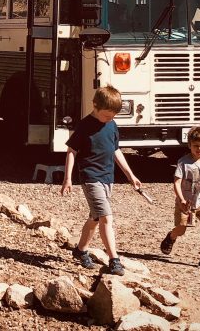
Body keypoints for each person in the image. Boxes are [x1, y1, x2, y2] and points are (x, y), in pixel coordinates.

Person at [61, 85, 142, 276]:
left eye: (112, 116)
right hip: (90, 177)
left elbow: (115, 150)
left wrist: (130, 175)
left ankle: (80, 250)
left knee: (95, 218)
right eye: (106, 115)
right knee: (106, 217)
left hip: (108, 177)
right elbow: (72, 151)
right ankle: (114, 260)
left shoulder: (112, 125)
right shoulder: (84, 126)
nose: (109, 119)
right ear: (95, 106)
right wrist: (67, 178)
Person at [160, 126, 200, 271]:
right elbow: (176, 182)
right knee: (181, 229)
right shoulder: (183, 162)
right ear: (189, 145)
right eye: (196, 145)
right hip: (186, 203)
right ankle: (171, 236)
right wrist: (181, 199)